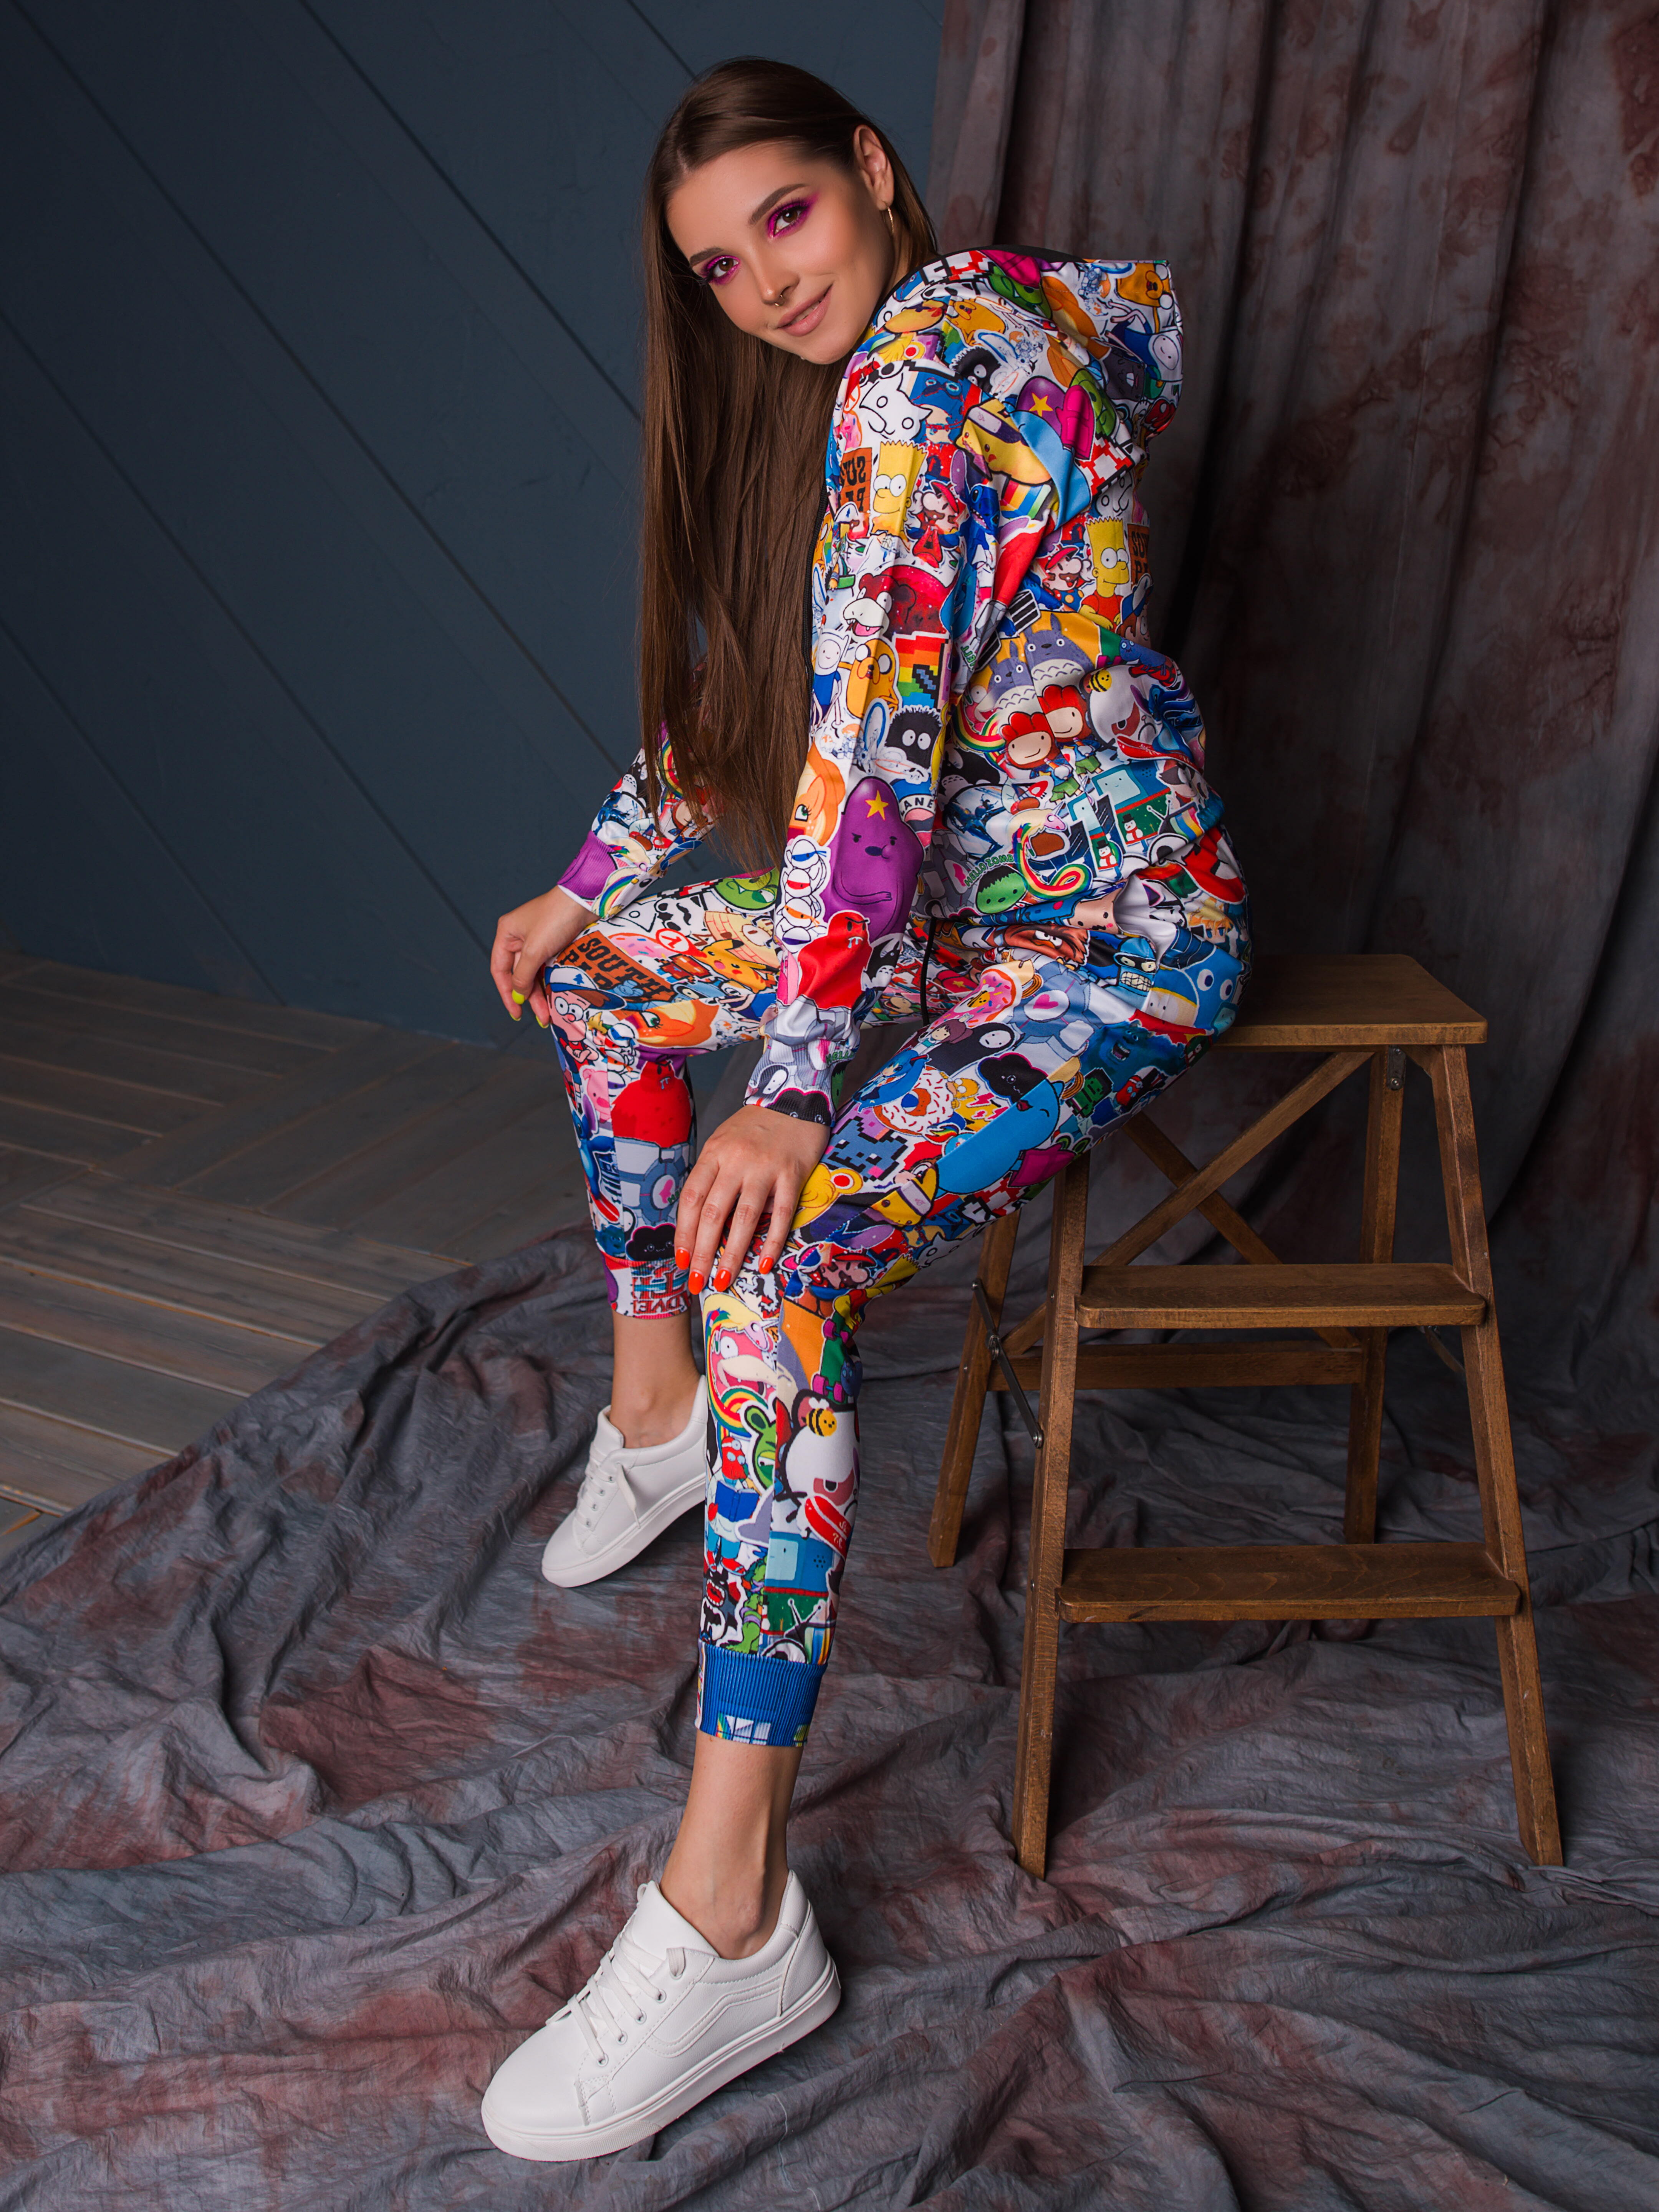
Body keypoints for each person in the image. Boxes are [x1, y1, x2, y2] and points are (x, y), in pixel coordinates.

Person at [480, 58, 1250, 2162]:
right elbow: (807, 691)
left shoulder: (929, 377)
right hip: (949, 916)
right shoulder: (973, 331)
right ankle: (659, 1420)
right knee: (606, 980)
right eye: (720, 270)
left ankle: (731, 1913)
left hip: (1104, 942)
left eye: (787, 220)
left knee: (781, 1255)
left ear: (873, 175)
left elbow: (872, 769)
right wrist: (600, 876)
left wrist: (796, 1093)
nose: (764, 286)